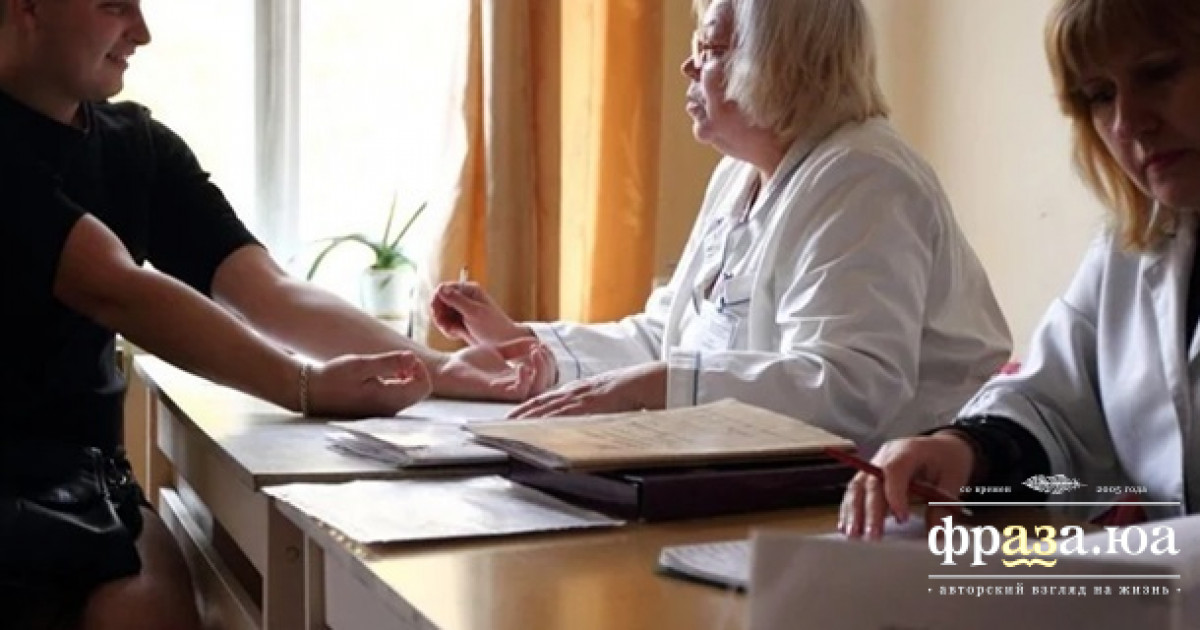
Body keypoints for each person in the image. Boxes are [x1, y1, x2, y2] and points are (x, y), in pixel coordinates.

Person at [0, 0, 541, 628]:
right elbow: (117, 288)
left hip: (85, 484)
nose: (142, 32)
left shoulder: (135, 147)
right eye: (115, 5)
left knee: (146, 611)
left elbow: (267, 290)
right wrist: (302, 385)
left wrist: (435, 368)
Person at [431, 0, 1011, 454]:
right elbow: (666, 342)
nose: (689, 66)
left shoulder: (865, 178)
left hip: (899, 501)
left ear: (779, 63)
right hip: (765, 476)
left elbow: (850, 389)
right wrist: (530, 345)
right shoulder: (740, 174)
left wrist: (658, 385)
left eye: (709, 48)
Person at [839, 0, 1200, 540]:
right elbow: (1054, 407)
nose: (1128, 123)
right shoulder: (1131, 250)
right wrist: (966, 451)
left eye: (1159, 71)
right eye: (1100, 95)